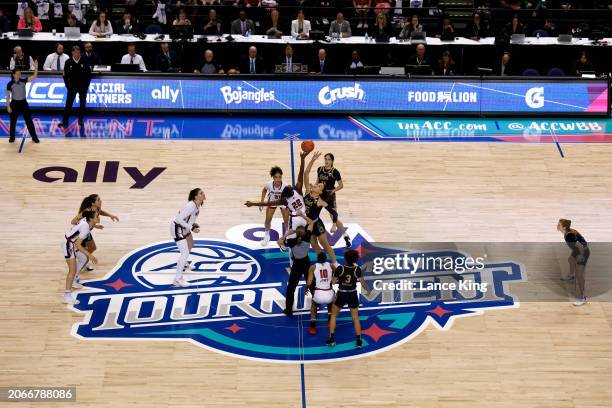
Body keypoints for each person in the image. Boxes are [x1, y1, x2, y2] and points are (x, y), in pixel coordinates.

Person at [327, 249, 370, 348]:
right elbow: (363, 283)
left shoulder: (340, 268)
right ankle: (359, 340)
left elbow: (333, 282)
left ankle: (331, 338)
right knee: (355, 318)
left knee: (333, 316)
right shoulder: (357, 269)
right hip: (352, 294)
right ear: (356, 259)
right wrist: (368, 290)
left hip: (342, 293)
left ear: (345, 259)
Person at [71, 194, 119, 274]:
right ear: (93, 203)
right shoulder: (86, 211)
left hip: (87, 232)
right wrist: (82, 226)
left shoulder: (97, 209)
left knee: (92, 248)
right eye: (98, 200)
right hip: (81, 233)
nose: (100, 201)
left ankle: (83, 260)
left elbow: (101, 212)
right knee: (88, 248)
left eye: (100, 199)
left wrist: (110, 216)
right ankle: (79, 265)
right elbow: (73, 221)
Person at [278, 219, 315, 317]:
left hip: (297, 265)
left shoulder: (291, 241)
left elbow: (279, 242)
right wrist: (302, 215)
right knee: (311, 284)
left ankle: (289, 310)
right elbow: (311, 223)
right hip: (306, 262)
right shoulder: (307, 237)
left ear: (296, 233)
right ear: (304, 232)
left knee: (291, 288)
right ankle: (316, 303)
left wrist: (286, 234)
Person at [62, 210, 99, 305]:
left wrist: (96, 226)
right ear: (91, 218)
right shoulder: (85, 228)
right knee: (72, 271)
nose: (98, 217)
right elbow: (78, 244)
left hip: (71, 243)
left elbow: (77, 224)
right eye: (97, 215)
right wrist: (90, 255)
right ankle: (67, 295)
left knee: (83, 259)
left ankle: (73, 280)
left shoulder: (87, 223)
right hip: (68, 244)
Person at [171, 188, 206, 288]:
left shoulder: (197, 205)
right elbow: (178, 219)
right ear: (196, 196)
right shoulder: (191, 206)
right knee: (185, 252)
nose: (204, 194)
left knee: (190, 244)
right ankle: (177, 279)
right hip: (177, 229)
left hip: (184, 228)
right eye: (201, 193)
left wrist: (192, 223)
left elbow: (187, 218)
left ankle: (185, 263)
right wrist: (191, 227)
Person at [316, 153, 349, 245]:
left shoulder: (335, 172)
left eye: (329, 159)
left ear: (332, 161)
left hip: (329, 196)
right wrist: (313, 189)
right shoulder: (319, 169)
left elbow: (341, 185)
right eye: (325, 159)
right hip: (320, 195)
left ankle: (345, 236)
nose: (326, 161)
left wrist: (333, 191)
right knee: (313, 214)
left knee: (334, 217)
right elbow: (317, 181)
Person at [557, 219, 590, 306]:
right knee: (570, 260)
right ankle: (571, 276)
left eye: (559, 225)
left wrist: (580, 256)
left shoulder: (569, 235)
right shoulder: (569, 232)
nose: (557, 226)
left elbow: (579, 246)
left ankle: (582, 298)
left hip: (583, 253)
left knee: (579, 275)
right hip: (578, 251)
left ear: (564, 227)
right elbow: (581, 241)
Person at [6, 62, 40, 143]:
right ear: (13, 75)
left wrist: (36, 67)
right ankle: (12, 137)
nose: (19, 75)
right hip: (14, 104)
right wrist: (8, 106)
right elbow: (8, 96)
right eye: (17, 74)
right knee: (13, 122)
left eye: (20, 74)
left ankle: (34, 137)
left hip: (23, 103)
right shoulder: (10, 84)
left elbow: (34, 76)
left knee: (29, 121)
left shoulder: (23, 80)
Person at [306, 247, 335, 335]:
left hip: (318, 292)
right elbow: (337, 276)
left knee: (314, 305)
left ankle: (313, 327)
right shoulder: (331, 265)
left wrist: (305, 289)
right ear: (326, 259)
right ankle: (330, 322)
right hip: (328, 291)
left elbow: (309, 282)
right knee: (331, 302)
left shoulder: (313, 267)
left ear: (317, 259)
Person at [259, 166, 290, 246]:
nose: (278, 179)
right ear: (273, 177)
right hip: (272, 202)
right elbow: (264, 190)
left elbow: (291, 196)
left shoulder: (286, 185)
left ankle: (287, 236)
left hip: (283, 203)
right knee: (267, 220)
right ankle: (266, 235)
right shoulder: (269, 184)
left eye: (280, 177)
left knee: (287, 221)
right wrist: (262, 201)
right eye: (276, 177)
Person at [61, 45, 91, 128]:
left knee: (82, 104)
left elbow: (89, 74)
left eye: (78, 52)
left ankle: (80, 120)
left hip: (82, 87)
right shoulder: (68, 62)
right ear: (72, 53)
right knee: (68, 104)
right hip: (72, 87)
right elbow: (65, 76)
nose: (77, 54)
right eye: (75, 52)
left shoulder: (85, 60)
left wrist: (86, 85)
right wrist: (68, 86)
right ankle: (65, 121)